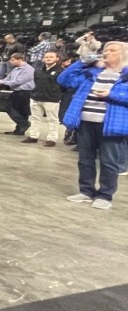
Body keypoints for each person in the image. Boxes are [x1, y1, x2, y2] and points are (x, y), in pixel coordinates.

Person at [58, 42, 128, 209]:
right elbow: (64, 80)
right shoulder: (92, 72)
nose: (107, 52)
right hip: (86, 123)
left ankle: (105, 195)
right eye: (105, 50)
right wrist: (82, 62)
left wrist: (112, 94)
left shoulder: (124, 75)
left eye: (112, 50)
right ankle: (86, 191)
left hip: (111, 126)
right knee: (85, 160)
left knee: (109, 162)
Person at [24, 49, 64, 146]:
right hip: (36, 97)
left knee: (52, 120)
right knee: (35, 118)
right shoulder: (38, 70)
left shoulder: (61, 71)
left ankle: (52, 139)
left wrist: (55, 93)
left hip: (51, 99)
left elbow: (63, 85)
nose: (48, 59)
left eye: (51, 57)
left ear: (57, 58)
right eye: (46, 57)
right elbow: (36, 82)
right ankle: (33, 136)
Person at [0, 52, 35, 136]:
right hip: (17, 91)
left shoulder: (28, 69)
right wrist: (0, 81)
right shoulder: (15, 69)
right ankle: (19, 129)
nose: (10, 62)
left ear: (20, 59)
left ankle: (23, 124)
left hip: (24, 92)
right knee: (17, 110)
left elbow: (18, 82)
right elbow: (8, 78)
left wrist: (0, 82)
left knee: (16, 109)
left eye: (12, 60)